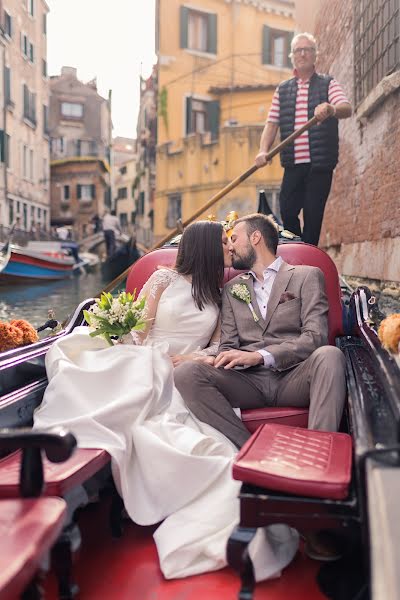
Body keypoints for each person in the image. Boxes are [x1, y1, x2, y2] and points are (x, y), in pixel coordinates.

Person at [33, 220, 298, 581]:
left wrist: (187, 360)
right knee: (136, 387)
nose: (229, 247)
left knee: (174, 405)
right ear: (205, 246)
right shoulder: (161, 279)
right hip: (146, 358)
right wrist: (144, 348)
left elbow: (218, 347)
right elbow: (138, 333)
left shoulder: (219, 294)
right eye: (223, 241)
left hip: (185, 370)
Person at [174, 213, 346, 450]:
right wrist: (213, 359)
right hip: (247, 381)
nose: (230, 247)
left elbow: (314, 337)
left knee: (330, 355)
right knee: (186, 373)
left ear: (256, 238)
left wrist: (260, 356)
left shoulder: (307, 276)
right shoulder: (232, 289)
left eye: (234, 238)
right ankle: (250, 449)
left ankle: (318, 453)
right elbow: (228, 345)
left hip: (293, 377)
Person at [255, 33, 352, 246]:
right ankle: (297, 249)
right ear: (292, 56)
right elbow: (272, 124)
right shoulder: (283, 89)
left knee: (313, 214)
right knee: (288, 210)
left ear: (314, 55)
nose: (302, 54)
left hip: (320, 165)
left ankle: (308, 256)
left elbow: (346, 108)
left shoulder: (328, 84)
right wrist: (263, 150)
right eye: (298, 50)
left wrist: (331, 108)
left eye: (307, 49)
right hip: (293, 165)